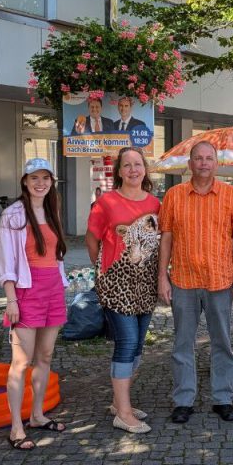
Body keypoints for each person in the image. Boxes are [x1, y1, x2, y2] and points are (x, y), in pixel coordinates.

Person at [158, 140, 233, 424]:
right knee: (182, 343)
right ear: (190, 164)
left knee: (221, 342)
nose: (203, 163)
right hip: (183, 280)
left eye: (209, 158)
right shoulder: (174, 195)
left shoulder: (230, 194)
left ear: (216, 163)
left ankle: (223, 398)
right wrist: (162, 276)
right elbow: (166, 238)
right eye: (198, 158)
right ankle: (183, 400)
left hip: (220, 280)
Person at [86, 147, 161, 433]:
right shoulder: (106, 202)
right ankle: (124, 414)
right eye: (127, 165)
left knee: (138, 345)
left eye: (137, 164)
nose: (133, 170)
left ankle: (119, 402)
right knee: (127, 343)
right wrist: (104, 268)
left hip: (146, 281)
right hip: (116, 282)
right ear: (119, 171)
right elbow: (91, 239)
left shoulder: (155, 203)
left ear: (144, 169)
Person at [0, 158, 68, 451]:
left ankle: (37, 415)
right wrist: (11, 299)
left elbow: (56, 256)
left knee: (45, 356)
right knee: (21, 361)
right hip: (26, 291)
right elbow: (6, 263)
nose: (40, 183)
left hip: (53, 289)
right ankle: (16, 427)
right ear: (24, 181)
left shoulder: (52, 210)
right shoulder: (12, 215)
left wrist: (62, 285)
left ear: (51, 182)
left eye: (45, 178)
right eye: (34, 178)